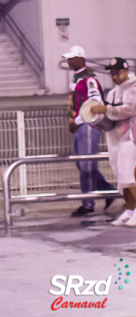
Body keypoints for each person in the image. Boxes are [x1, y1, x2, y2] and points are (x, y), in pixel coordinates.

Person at [64, 46, 115, 216]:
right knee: (83, 164)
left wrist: (77, 121)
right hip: (81, 125)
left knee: (87, 164)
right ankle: (108, 190)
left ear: (81, 58)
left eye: (72, 58)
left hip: (87, 125)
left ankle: (88, 204)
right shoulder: (78, 78)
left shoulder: (89, 78)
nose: (68, 61)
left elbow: (95, 103)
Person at [89, 57, 136, 226]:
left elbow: (129, 109)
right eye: (111, 73)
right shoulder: (113, 92)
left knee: (131, 176)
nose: (114, 76)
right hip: (117, 138)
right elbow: (110, 115)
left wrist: (106, 109)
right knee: (122, 178)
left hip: (132, 138)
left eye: (117, 72)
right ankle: (129, 211)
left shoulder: (133, 88)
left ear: (125, 70)